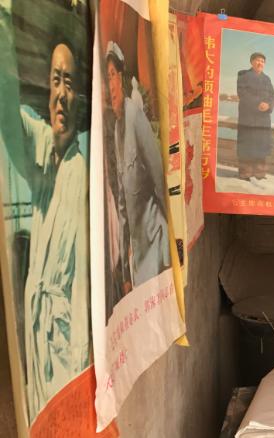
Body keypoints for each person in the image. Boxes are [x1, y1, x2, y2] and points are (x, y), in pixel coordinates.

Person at [0, 37, 90, 418]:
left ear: (81, 101)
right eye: (55, 81)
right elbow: (6, 108)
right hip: (36, 335)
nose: (60, 95)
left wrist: (80, 362)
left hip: (64, 341)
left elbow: (84, 283)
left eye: (69, 84)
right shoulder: (43, 150)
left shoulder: (81, 173)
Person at [105, 41, 170, 288]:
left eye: (112, 75)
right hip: (140, 264)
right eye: (106, 77)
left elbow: (158, 179)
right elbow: (123, 209)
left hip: (158, 247)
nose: (109, 84)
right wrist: (124, 275)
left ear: (121, 77)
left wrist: (175, 250)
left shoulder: (135, 116)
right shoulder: (117, 127)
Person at [236, 52, 274, 180]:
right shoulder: (243, 75)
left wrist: (268, 105)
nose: (260, 63)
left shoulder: (267, 79)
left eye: (263, 61)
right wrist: (258, 104)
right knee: (246, 145)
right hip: (248, 117)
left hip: (263, 119)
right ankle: (245, 173)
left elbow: (273, 96)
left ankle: (260, 173)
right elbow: (242, 93)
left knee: (261, 145)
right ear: (251, 62)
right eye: (258, 60)